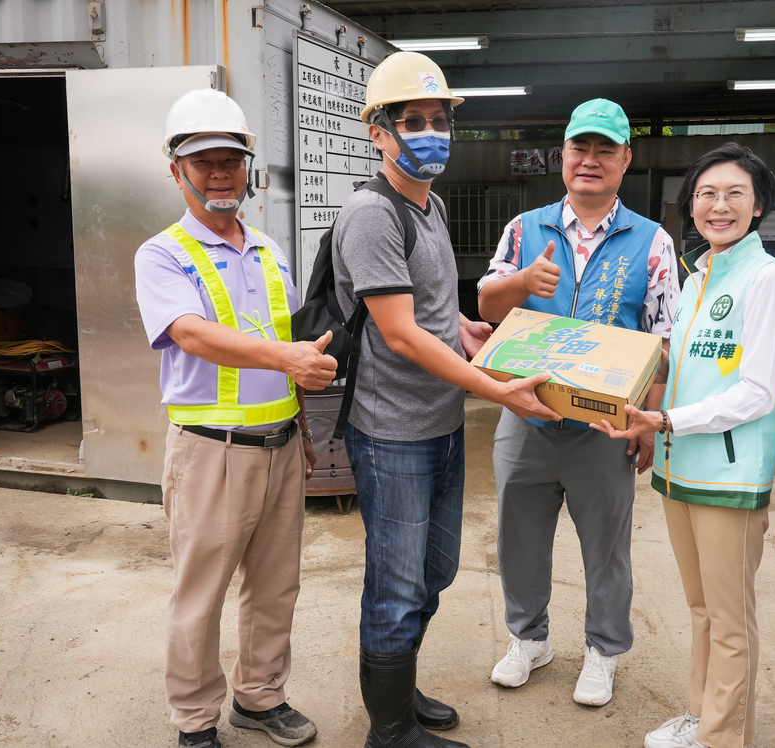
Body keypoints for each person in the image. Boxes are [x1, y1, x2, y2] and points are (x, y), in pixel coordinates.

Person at [331, 52, 558, 748]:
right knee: (397, 587)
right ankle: (390, 731)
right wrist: (494, 387)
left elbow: (419, 306)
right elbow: (398, 335)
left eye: (439, 120)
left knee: (434, 572)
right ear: (379, 131)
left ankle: (399, 690)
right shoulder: (372, 214)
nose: (431, 132)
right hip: (393, 431)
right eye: (413, 121)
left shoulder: (426, 206)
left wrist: (460, 325)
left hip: (440, 423)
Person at [135, 89, 337, 748]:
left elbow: (294, 354)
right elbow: (190, 334)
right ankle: (195, 721)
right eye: (204, 162)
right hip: (209, 452)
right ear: (177, 171)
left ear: (249, 168)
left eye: (231, 160)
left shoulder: (272, 252)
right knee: (202, 596)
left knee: (276, 588)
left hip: (279, 447)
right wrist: (286, 355)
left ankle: (260, 699)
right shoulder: (162, 254)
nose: (220, 174)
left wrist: (304, 432)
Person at [592, 143, 775, 748]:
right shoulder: (699, 274)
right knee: (702, 610)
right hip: (682, 471)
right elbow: (672, 363)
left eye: (735, 193)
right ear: (691, 207)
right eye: (707, 194)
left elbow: (759, 392)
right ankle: (703, 716)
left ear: (759, 206)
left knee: (731, 621)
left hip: (729, 480)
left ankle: (722, 736)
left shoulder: (767, 279)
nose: (719, 205)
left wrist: (669, 422)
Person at [478, 98, 681, 707]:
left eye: (603, 150)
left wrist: (648, 419)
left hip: (604, 424)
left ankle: (603, 649)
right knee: (519, 536)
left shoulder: (652, 242)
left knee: (606, 545)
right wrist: (520, 283)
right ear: (562, 155)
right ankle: (529, 639)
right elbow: (489, 311)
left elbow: (661, 339)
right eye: (579, 148)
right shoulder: (524, 229)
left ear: (625, 159)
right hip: (526, 412)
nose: (589, 160)